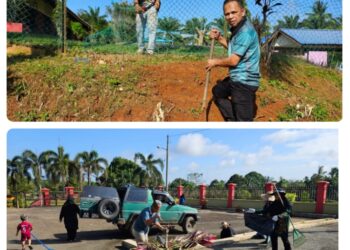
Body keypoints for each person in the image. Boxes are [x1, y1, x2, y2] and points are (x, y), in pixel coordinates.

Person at [206, 0, 260, 121]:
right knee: (218, 91)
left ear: (243, 12)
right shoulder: (238, 29)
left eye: (233, 12)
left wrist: (215, 62)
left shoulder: (245, 32)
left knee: (244, 122)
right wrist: (219, 38)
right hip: (236, 78)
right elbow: (234, 48)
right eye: (227, 14)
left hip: (244, 82)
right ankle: (232, 119)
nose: (230, 16)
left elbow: (234, 60)